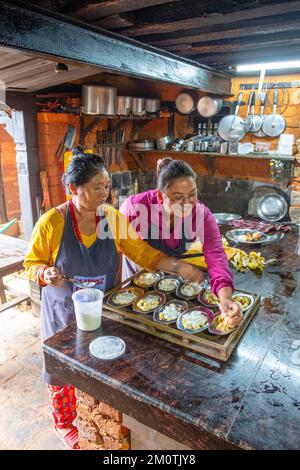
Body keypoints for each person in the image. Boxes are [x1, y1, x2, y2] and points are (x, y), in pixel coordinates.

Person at [24, 152, 203, 449]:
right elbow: (31, 263)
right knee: (59, 365)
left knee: (96, 362)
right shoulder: (52, 223)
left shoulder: (112, 218)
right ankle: (64, 421)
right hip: (62, 310)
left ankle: (94, 416)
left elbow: (142, 253)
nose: (104, 193)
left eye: (106, 186)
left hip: (102, 309)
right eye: (96, 187)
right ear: (73, 189)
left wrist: (176, 266)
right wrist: (44, 273)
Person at [120, 157, 242, 328]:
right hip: (137, 281)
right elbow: (125, 247)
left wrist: (225, 298)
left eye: (192, 194)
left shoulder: (201, 215)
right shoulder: (134, 207)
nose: (187, 203)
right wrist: (176, 266)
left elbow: (216, 256)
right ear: (160, 196)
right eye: (178, 197)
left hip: (172, 283)